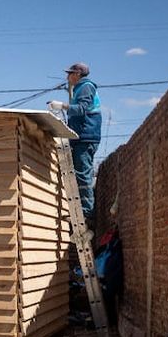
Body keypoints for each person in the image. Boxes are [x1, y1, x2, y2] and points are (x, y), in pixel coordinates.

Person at [49, 62, 102, 225]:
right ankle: (82, 211)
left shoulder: (86, 87)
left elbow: (81, 109)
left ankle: (86, 213)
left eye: (70, 73)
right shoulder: (80, 88)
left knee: (83, 174)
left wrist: (62, 106)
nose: (67, 77)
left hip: (86, 136)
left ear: (77, 74)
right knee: (79, 173)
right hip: (81, 136)